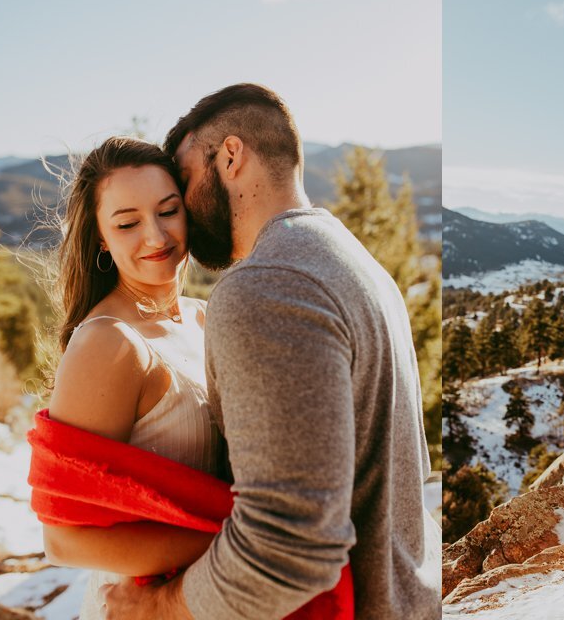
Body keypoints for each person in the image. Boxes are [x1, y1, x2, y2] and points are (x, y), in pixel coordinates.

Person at [101, 82, 440, 620]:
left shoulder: (265, 285)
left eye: (185, 181)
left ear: (231, 156)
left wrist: (157, 608)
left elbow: (289, 546)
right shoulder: (358, 265)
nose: (181, 213)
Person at [35, 139, 224, 619]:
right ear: (101, 237)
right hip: (139, 607)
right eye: (127, 223)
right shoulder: (108, 342)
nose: (156, 236)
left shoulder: (207, 320)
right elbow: (64, 540)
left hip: (217, 597)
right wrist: (239, 546)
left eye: (168, 210)